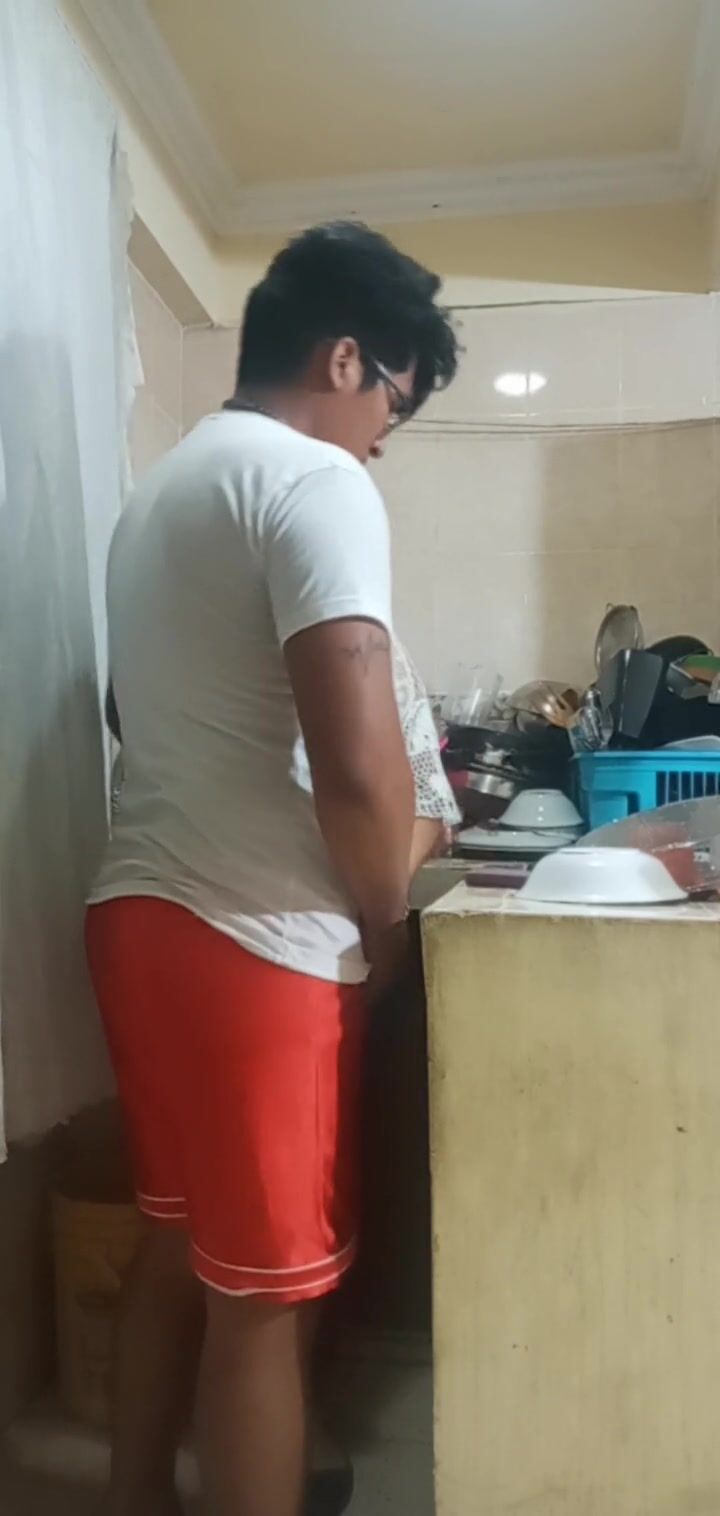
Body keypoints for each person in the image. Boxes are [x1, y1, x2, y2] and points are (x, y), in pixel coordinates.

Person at [86, 221, 458, 1516]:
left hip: (137, 915)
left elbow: (145, 717)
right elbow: (357, 764)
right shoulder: (315, 481)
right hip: (253, 942)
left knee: (179, 1246)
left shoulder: (161, 493)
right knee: (265, 1302)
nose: (381, 441)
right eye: (393, 405)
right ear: (345, 358)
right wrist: (386, 912)